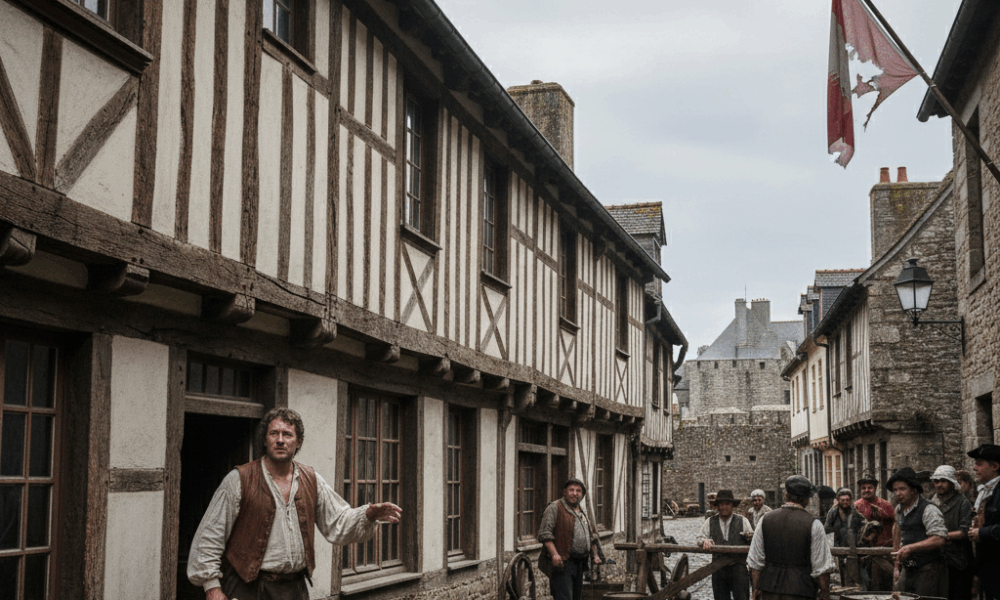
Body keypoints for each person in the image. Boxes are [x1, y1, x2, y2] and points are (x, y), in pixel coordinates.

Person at [188, 407, 402, 600]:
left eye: (287, 434)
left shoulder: (311, 479)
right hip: (248, 588)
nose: (280, 440)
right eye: (274, 434)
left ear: (298, 442)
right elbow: (209, 536)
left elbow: (337, 521)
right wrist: (212, 587)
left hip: (294, 589)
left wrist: (368, 515)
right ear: (265, 440)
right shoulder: (239, 480)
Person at [747, 475, 835, 600]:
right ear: (806, 500)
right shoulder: (813, 524)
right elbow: (821, 568)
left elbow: (755, 563)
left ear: (786, 495)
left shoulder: (765, 520)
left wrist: (755, 589)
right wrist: (825, 594)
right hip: (801, 589)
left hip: (769, 589)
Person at [537, 478, 603, 600]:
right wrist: (555, 555)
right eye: (571, 490)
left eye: (578, 491)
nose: (575, 493)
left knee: (575, 596)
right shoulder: (554, 508)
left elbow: (590, 535)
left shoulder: (581, 510)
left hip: (579, 563)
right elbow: (544, 534)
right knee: (564, 597)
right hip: (563, 563)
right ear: (565, 492)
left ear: (582, 494)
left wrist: (595, 555)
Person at [887, 466, 947, 597]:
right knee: (900, 597)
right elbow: (897, 529)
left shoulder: (929, 509)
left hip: (928, 567)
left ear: (914, 490)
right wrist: (896, 565)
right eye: (895, 490)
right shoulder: (899, 509)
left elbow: (939, 538)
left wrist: (911, 548)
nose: (898, 493)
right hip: (908, 568)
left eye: (902, 489)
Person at [696, 489, 753, 600]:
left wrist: (748, 538)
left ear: (732, 505)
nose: (724, 507)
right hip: (718, 569)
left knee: (742, 597)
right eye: (721, 504)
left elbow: (752, 540)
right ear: (717, 506)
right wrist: (704, 541)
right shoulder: (710, 521)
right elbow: (700, 537)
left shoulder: (743, 521)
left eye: (727, 504)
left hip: (738, 569)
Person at [929, 465, 974, 600]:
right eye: (936, 481)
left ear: (951, 482)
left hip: (959, 561)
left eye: (943, 481)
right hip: (937, 560)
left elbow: (964, 532)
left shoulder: (963, 502)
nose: (939, 484)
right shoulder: (932, 501)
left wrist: (940, 536)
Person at [967, 444, 1000, 600]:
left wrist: (982, 532)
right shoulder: (985, 490)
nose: (975, 468)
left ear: (995, 466)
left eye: (979, 464)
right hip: (987, 566)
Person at [853, 472, 894, 591]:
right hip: (864, 553)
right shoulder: (856, 507)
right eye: (863, 488)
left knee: (885, 585)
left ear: (875, 489)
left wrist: (885, 516)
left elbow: (896, 525)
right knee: (866, 586)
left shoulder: (886, 505)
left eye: (869, 487)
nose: (867, 490)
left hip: (884, 552)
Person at [824, 487, 865, 584]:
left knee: (854, 572)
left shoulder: (854, 512)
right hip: (838, 544)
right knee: (841, 573)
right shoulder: (833, 512)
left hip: (853, 545)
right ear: (838, 500)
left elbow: (864, 522)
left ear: (850, 500)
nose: (845, 502)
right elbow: (826, 528)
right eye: (842, 500)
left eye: (847, 500)